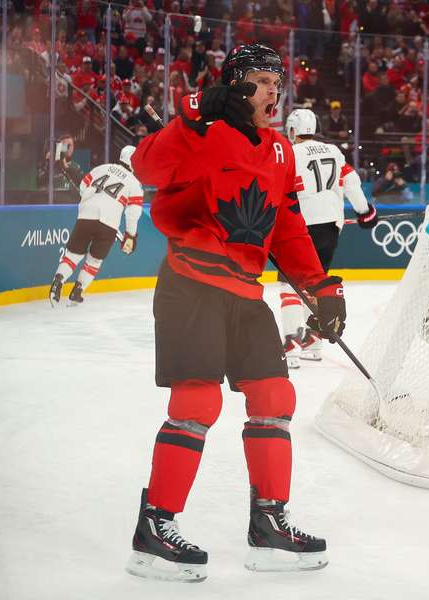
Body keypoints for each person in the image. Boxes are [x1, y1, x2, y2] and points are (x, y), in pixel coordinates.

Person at [125, 43, 340, 582]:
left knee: (274, 397)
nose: (276, 91)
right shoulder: (204, 132)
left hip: (246, 292)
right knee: (196, 401)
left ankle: (269, 526)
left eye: (278, 81)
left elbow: (288, 227)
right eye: (264, 81)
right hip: (191, 284)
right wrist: (192, 117)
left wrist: (323, 289)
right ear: (238, 86)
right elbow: (147, 165)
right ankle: (154, 531)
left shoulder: (280, 151)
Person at [280, 108, 377, 367]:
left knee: (288, 284)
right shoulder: (333, 151)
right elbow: (352, 183)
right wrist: (365, 212)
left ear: (292, 130)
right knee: (316, 283)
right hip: (331, 227)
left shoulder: (290, 152)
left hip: (300, 226)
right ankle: (314, 340)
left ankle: (291, 343)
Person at [48, 146, 142, 307]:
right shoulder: (135, 184)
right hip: (109, 223)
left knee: (73, 255)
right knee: (94, 260)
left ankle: (58, 280)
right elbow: (133, 212)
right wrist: (130, 235)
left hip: (86, 215)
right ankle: (77, 291)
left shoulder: (102, 168)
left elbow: (84, 187)